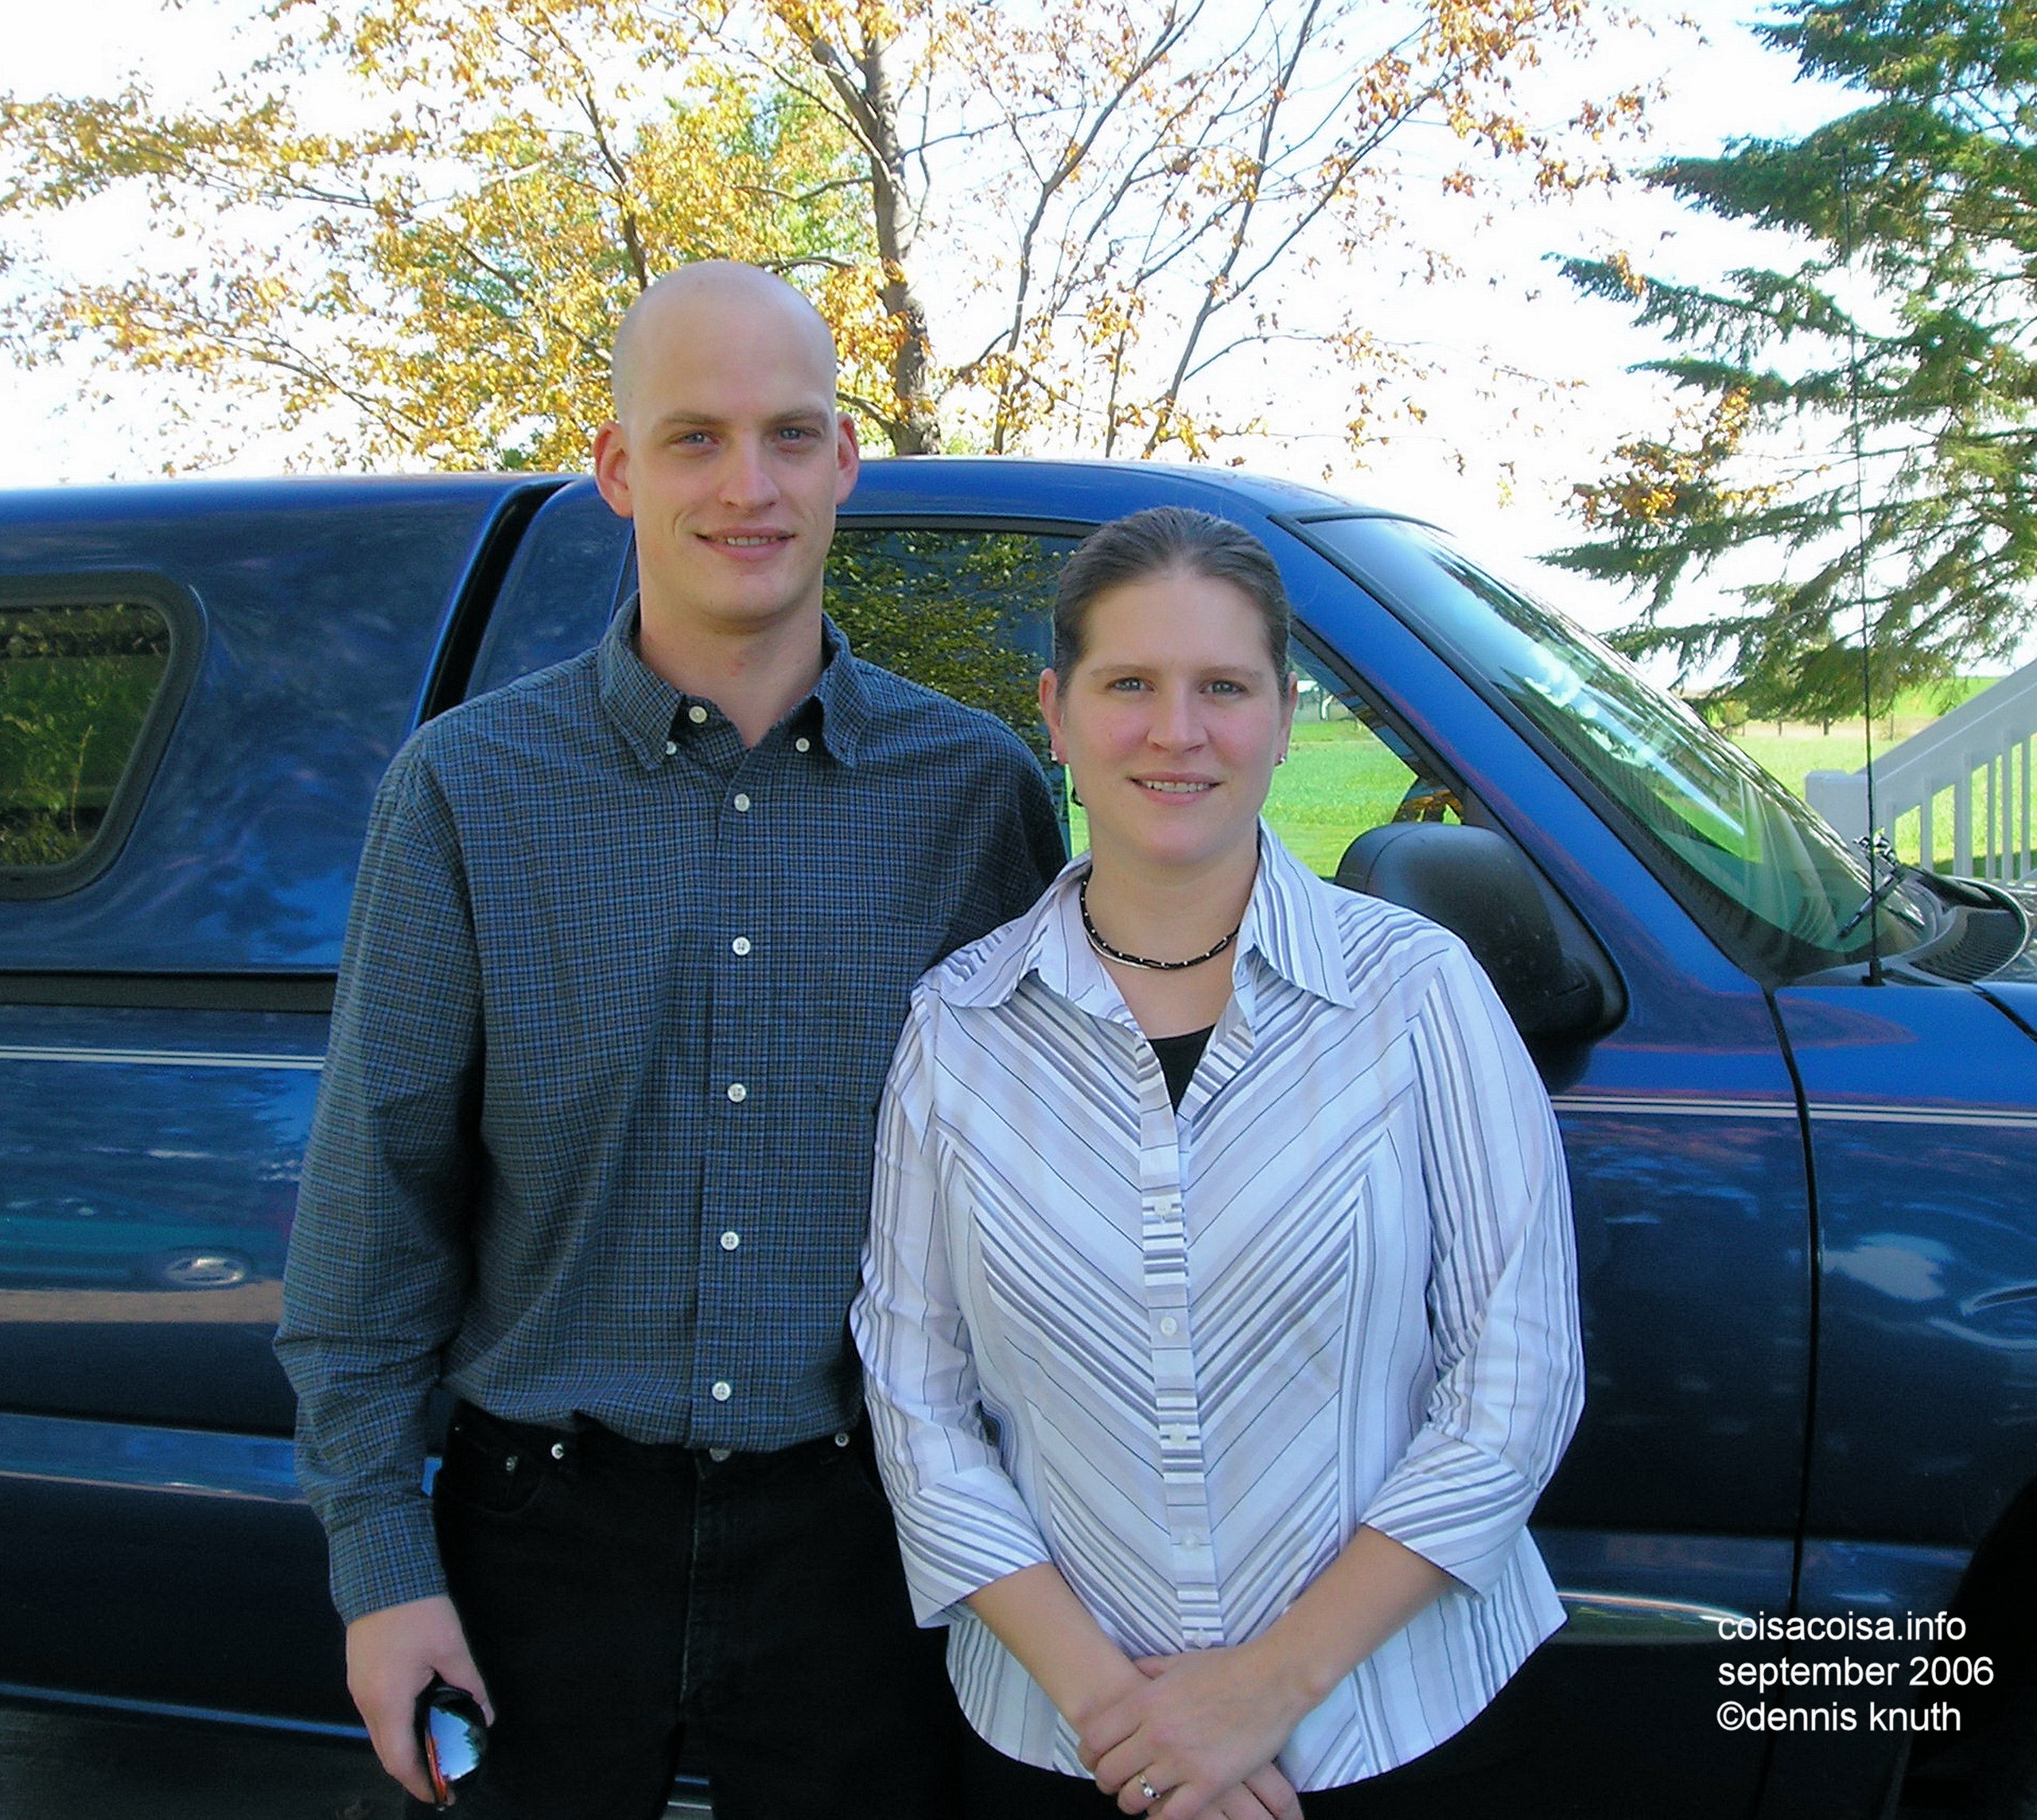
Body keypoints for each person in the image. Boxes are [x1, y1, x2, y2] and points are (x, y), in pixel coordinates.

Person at [274, 260, 1067, 1818]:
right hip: (541, 1543)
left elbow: (1050, 1201)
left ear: (845, 459)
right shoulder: (468, 793)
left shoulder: (974, 798)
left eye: (788, 433)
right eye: (693, 437)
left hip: (875, 1542)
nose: (746, 485)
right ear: (618, 468)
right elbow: (375, 1205)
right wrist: (380, 1569)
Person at [852, 507, 1584, 1820]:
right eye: (1128, 684)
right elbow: (916, 1404)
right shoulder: (957, 1030)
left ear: (1284, 716)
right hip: (1065, 1749)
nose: (1175, 731)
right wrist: (1127, 1725)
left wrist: (1264, 1690)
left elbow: (1514, 1389)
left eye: (1222, 688)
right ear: (1056, 714)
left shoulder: (1417, 996)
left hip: (1394, 1731)